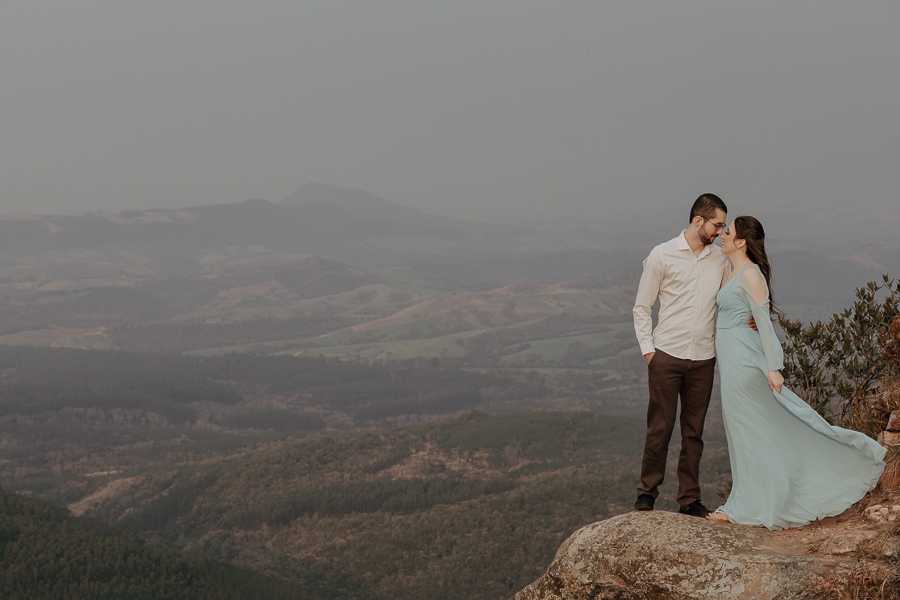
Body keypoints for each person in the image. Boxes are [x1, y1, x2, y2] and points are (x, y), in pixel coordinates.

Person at [707, 216, 885, 530]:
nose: (722, 234)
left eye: (728, 231)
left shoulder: (750, 275)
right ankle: (748, 500)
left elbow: (763, 323)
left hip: (745, 364)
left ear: (741, 242)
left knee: (752, 431)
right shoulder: (733, 270)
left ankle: (747, 506)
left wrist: (774, 367)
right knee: (744, 432)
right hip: (733, 363)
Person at [632, 194, 731, 517]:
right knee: (659, 428)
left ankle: (689, 499)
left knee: (694, 432)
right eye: (717, 225)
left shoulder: (720, 260)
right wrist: (650, 352)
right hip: (666, 356)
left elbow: (730, 300)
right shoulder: (662, 255)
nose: (720, 231)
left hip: (704, 359)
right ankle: (646, 494)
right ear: (698, 220)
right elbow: (642, 306)